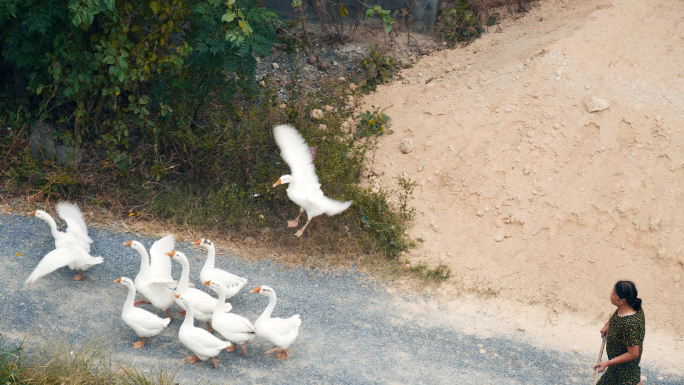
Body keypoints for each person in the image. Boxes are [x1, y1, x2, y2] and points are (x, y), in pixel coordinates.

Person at [593, 280, 645, 385]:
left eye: (613, 294)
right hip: (618, 368)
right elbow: (618, 311)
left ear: (622, 300)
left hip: (622, 370)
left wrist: (607, 363)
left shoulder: (629, 324)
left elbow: (633, 353)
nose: (610, 295)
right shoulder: (632, 305)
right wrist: (608, 324)